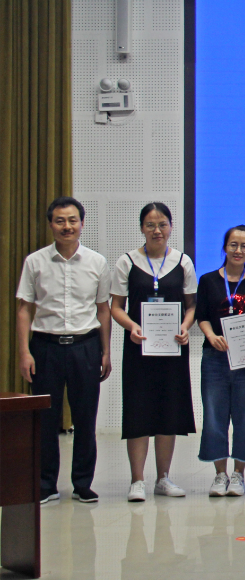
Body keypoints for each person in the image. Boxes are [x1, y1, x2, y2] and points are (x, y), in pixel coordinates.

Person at [16, 197, 113, 504]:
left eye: (72, 220)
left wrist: (106, 351)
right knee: (45, 420)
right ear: (51, 224)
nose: (67, 226)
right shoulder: (35, 262)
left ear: (82, 224)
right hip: (45, 347)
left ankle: (83, 484)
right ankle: (46, 484)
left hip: (85, 346)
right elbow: (24, 309)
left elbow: (103, 310)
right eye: (60, 221)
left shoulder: (97, 262)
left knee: (85, 419)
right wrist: (24, 352)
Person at [109, 203, 198, 502]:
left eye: (162, 224)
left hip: (173, 349)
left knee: (168, 412)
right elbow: (116, 307)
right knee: (138, 411)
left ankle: (163, 478)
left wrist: (185, 326)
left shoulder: (183, 261)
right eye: (150, 225)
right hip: (139, 348)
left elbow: (191, 306)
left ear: (171, 227)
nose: (157, 230)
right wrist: (132, 327)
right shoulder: (127, 262)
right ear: (141, 228)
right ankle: (137, 480)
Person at [196, 225, 245, 498]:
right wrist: (211, 336)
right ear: (225, 247)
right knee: (214, 417)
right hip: (214, 358)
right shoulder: (208, 280)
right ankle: (219, 474)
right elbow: (202, 315)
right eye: (233, 244)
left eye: (244, 246)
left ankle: (238, 474)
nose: (238, 250)